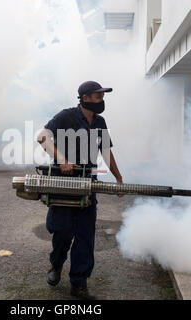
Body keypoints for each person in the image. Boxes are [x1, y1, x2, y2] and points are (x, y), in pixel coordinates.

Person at [37, 81, 123, 300]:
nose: (101, 100)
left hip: (87, 183)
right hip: (62, 183)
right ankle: (56, 266)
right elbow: (42, 136)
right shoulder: (66, 116)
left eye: (102, 97)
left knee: (85, 235)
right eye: (97, 96)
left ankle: (79, 283)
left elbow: (105, 150)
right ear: (85, 97)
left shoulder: (100, 122)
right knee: (63, 232)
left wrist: (119, 178)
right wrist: (62, 160)